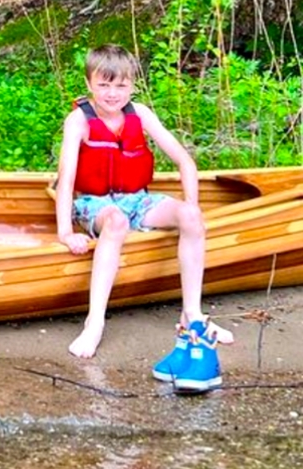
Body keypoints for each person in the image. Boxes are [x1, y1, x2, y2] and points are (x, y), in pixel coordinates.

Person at [53, 44, 233, 390]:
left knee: (190, 216)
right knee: (117, 222)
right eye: (104, 85)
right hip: (94, 203)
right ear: (90, 83)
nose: (112, 94)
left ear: (132, 85)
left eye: (121, 85)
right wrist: (65, 233)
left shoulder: (141, 114)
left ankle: (192, 315)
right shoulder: (78, 120)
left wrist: (191, 210)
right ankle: (94, 323)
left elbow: (186, 163)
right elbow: (67, 180)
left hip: (136, 199)